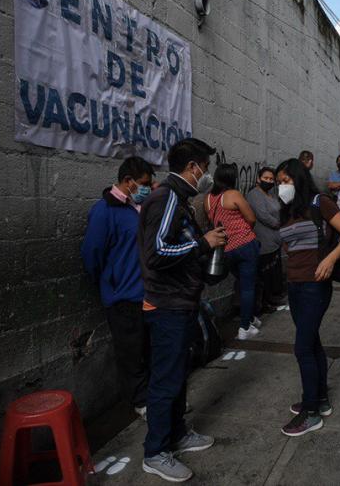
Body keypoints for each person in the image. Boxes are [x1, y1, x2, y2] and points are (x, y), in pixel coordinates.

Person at [138, 138, 227, 482]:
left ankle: (176, 434)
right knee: (165, 380)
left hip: (182, 301)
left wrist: (205, 243)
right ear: (193, 167)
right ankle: (155, 452)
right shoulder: (167, 198)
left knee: (178, 374)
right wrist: (204, 243)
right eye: (205, 167)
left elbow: (178, 243)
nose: (206, 174)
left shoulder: (182, 201)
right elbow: (157, 253)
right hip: (167, 305)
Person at [276, 159, 340, 437]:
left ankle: (310, 413)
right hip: (295, 284)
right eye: (279, 181)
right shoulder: (287, 210)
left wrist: (330, 259)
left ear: (298, 179)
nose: (281, 186)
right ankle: (319, 400)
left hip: (315, 285)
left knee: (302, 347)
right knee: (311, 342)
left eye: (285, 180)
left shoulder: (319, 202)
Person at [81, 157, 154, 419]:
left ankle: (156, 397)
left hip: (145, 292)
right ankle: (141, 401)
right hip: (123, 296)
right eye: (144, 184)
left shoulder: (137, 207)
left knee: (149, 349)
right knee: (131, 353)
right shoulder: (104, 211)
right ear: (128, 181)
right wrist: (111, 281)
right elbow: (92, 254)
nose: (147, 188)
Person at [205, 164, 262, 340]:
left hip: (226, 249)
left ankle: (250, 318)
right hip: (245, 245)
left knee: (242, 282)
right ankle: (244, 328)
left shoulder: (208, 199)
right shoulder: (234, 194)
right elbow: (251, 218)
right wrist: (243, 233)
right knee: (247, 286)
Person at [247, 167, 285, 315]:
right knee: (263, 275)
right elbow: (262, 215)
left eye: (271, 179)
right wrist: (278, 223)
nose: (269, 181)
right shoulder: (254, 195)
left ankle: (271, 299)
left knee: (272, 274)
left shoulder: (271, 194)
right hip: (263, 240)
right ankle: (262, 304)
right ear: (258, 179)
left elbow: (279, 210)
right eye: (266, 178)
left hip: (275, 241)